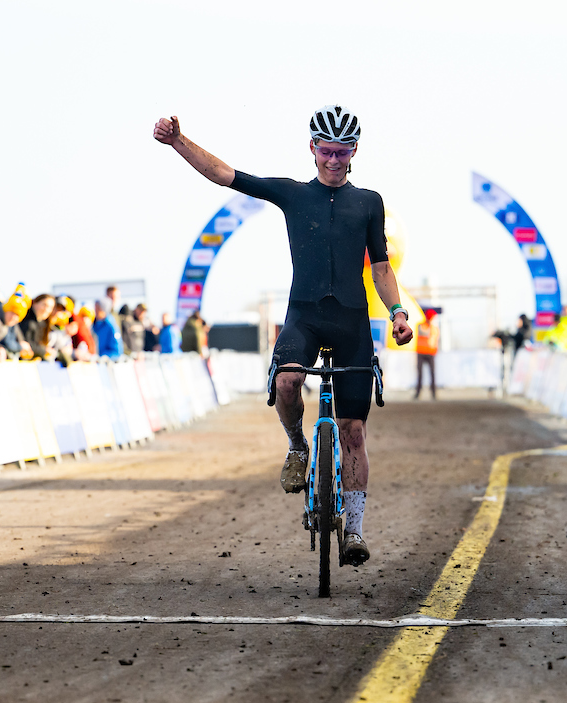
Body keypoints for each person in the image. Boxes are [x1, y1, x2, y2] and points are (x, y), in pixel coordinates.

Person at [154, 104, 413, 567]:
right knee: (287, 382)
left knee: (354, 431)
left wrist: (397, 312)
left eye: (343, 152)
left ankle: (354, 529)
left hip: (352, 321)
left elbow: (379, 266)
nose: (334, 160)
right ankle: (297, 445)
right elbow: (225, 175)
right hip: (305, 317)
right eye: (327, 151)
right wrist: (178, 141)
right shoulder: (293, 194)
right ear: (312, 149)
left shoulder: (368, 202)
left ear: (355, 152)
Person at [414, 306, 440, 400]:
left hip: (430, 353)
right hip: (421, 352)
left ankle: (433, 393)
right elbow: (425, 333)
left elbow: (435, 339)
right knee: (420, 374)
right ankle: (418, 392)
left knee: (432, 373)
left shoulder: (434, 327)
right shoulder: (421, 325)